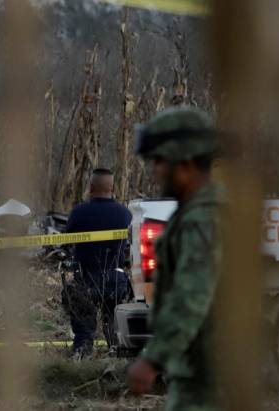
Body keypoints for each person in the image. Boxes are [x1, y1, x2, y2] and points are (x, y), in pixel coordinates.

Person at [127, 106, 223, 411]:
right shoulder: (194, 213)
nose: (154, 169)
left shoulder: (202, 220)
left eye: (159, 160)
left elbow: (191, 297)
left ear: (185, 162)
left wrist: (153, 358)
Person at [63, 168, 132, 357]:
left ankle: (82, 350)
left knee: (84, 328)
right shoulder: (125, 214)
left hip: (86, 280)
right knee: (115, 324)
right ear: (112, 188)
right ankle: (116, 351)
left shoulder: (79, 213)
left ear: (91, 187)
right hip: (116, 280)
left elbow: (65, 243)